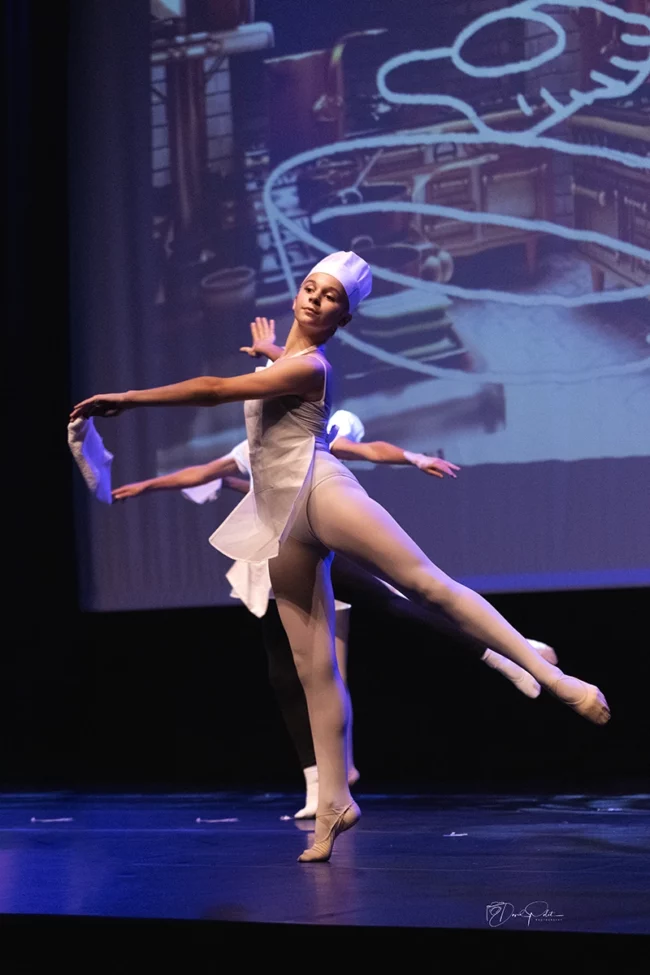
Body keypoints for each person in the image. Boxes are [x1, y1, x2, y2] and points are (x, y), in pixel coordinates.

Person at [72, 250, 610, 863]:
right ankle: (334, 799)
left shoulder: (314, 367)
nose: (314, 298)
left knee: (427, 586)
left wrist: (130, 398)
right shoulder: (290, 361)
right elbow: (260, 384)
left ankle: (550, 675)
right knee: (312, 669)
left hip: (319, 490)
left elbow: (216, 390)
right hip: (276, 516)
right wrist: (273, 351)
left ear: (343, 317)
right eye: (310, 287)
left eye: (330, 297)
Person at [114, 332, 556, 818]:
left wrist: (415, 457)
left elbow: (365, 446)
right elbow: (208, 472)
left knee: (392, 611)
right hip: (275, 557)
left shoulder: (315, 435)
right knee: (293, 672)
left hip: (316, 545)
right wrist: (148, 485)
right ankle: (324, 781)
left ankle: (508, 654)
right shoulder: (254, 443)